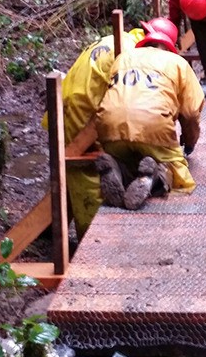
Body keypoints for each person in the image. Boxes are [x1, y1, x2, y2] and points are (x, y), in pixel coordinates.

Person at [41, 26, 144, 239]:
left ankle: (68, 229)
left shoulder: (117, 39)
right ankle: (93, 240)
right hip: (81, 112)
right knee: (88, 174)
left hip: (69, 101)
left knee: (85, 168)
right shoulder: (131, 55)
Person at [95, 17, 204, 210]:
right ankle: (153, 178)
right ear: (170, 44)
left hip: (109, 126)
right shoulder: (178, 63)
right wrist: (189, 141)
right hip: (153, 126)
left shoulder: (123, 58)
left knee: (127, 157)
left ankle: (117, 166)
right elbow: (191, 113)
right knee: (177, 174)